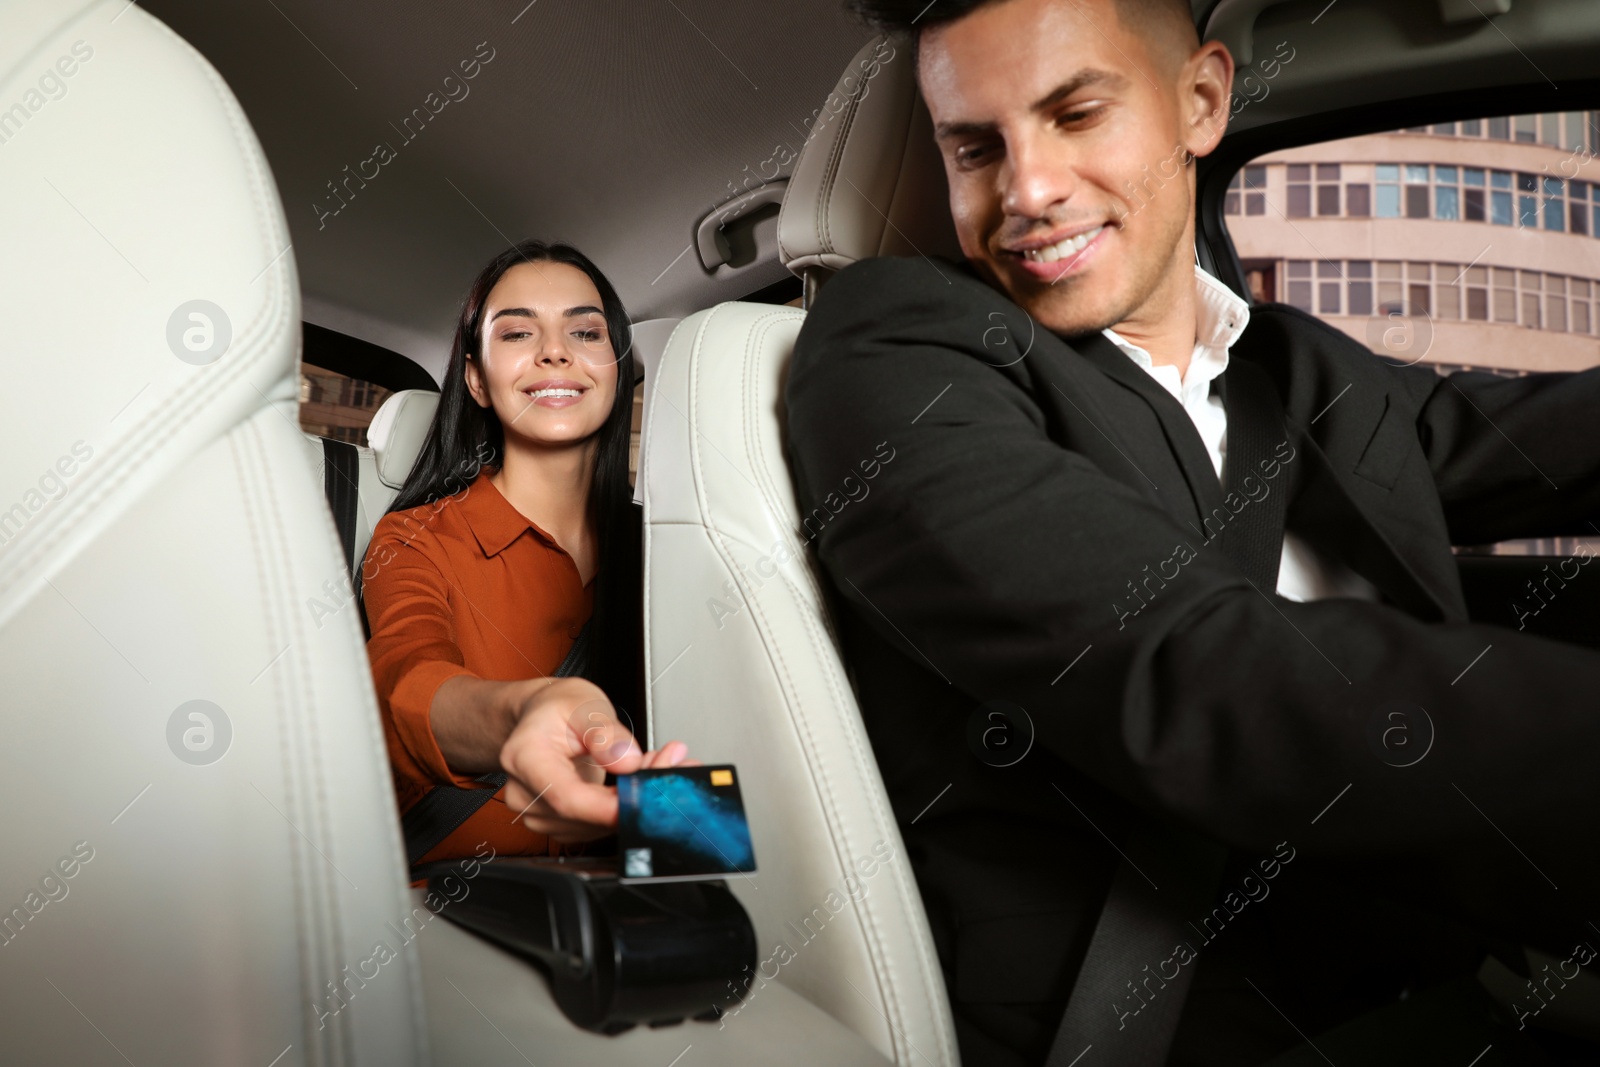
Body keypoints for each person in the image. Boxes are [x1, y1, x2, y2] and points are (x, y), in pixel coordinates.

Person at [782, 1, 1600, 1064]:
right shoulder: (898, 348)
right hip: (1182, 1021)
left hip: (1454, 971)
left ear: (1202, 101)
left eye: (1076, 113)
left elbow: (1532, 440)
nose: (1026, 191)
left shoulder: (1291, 368)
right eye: (975, 148)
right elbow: (1187, 664)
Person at [362, 240, 693, 868]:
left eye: (585, 331)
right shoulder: (415, 540)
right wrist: (525, 714)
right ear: (477, 380)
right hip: (447, 916)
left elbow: (715, 812)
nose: (555, 350)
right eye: (517, 332)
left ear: (617, 368)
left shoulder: (677, 547)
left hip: (639, 903)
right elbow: (405, 680)